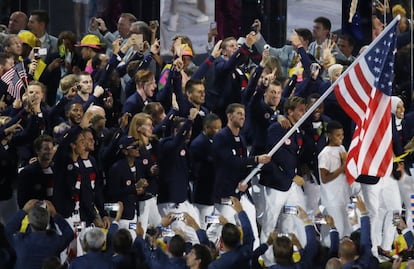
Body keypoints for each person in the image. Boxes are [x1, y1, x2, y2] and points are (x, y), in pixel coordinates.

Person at [212, 103, 270, 248]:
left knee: (251, 229)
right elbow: (230, 162)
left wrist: (246, 182)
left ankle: (254, 259)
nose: (242, 116)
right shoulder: (221, 137)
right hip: (226, 193)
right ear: (229, 116)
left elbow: (244, 166)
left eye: (243, 114)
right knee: (221, 229)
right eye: (238, 113)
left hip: (242, 194)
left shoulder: (242, 139)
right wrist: (256, 159)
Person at [259, 96, 308, 266]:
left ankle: (286, 254)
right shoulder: (277, 128)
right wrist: (290, 176)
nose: (304, 113)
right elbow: (272, 157)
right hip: (276, 184)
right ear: (289, 111)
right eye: (300, 110)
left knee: (290, 218)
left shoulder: (297, 130)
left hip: (291, 185)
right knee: (270, 221)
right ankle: (267, 259)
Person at [5, 199, 74, 269]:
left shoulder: (19, 241)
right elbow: (69, 234)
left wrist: (24, 210)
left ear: (29, 220)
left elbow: (7, 230)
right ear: (47, 221)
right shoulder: (55, 241)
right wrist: (55, 214)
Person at [318, 121, 351, 244]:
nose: (341, 138)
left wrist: (345, 166)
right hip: (331, 199)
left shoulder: (342, 148)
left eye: (342, 135)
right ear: (329, 136)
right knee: (334, 229)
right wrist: (343, 167)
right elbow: (325, 178)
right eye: (338, 135)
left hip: (343, 195)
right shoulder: (325, 154)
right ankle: (329, 252)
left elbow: (345, 171)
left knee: (345, 228)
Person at [190, 113, 222, 229]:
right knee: (202, 224)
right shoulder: (199, 144)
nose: (219, 131)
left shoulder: (212, 141)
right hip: (203, 193)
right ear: (207, 128)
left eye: (220, 127)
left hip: (212, 192)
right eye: (216, 128)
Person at [207, 196, 254, 269]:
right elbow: (249, 235)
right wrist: (240, 211)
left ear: (221, 242)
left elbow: (249, 234)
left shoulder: (215, 265)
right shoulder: (246, 252)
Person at [17, 134, 55, 208]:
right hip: (36, 216)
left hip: (55, 214)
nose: (50, 151)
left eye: (51, 148)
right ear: (37, 151)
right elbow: (22, 202)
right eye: (46, 149)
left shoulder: (57, 170)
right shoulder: (27, 173)